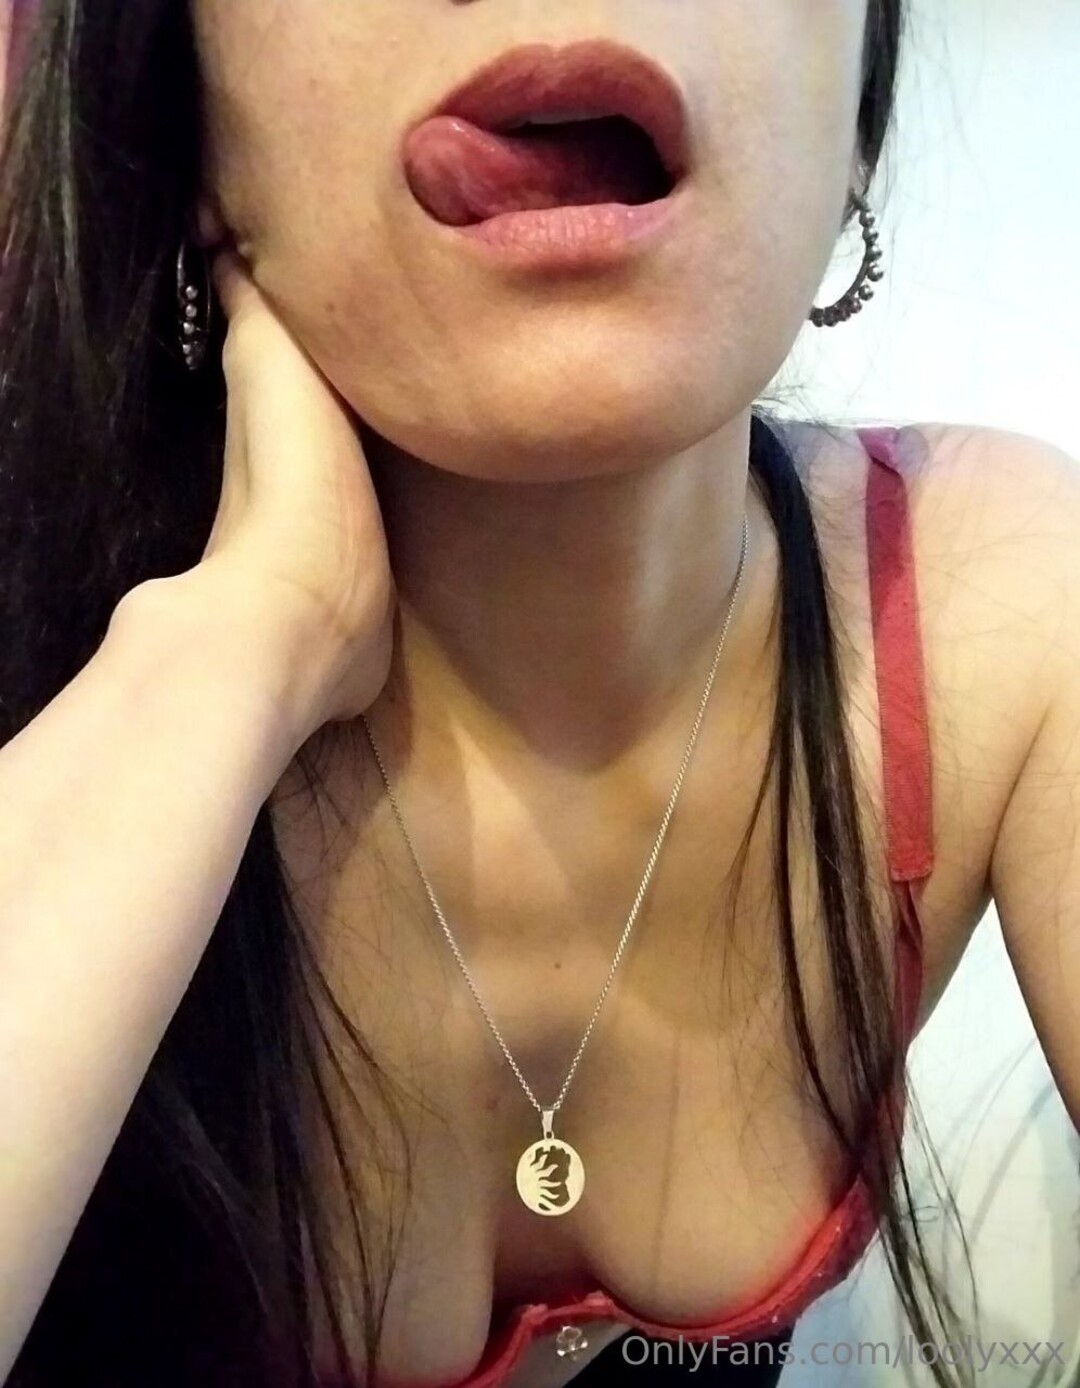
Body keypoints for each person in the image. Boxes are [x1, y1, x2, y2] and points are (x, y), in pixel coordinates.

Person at [0, 2, 1076, 1386]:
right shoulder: (59, 690)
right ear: (188, 125)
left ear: (857, 110)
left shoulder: (1005, 596)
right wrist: (231, 648)